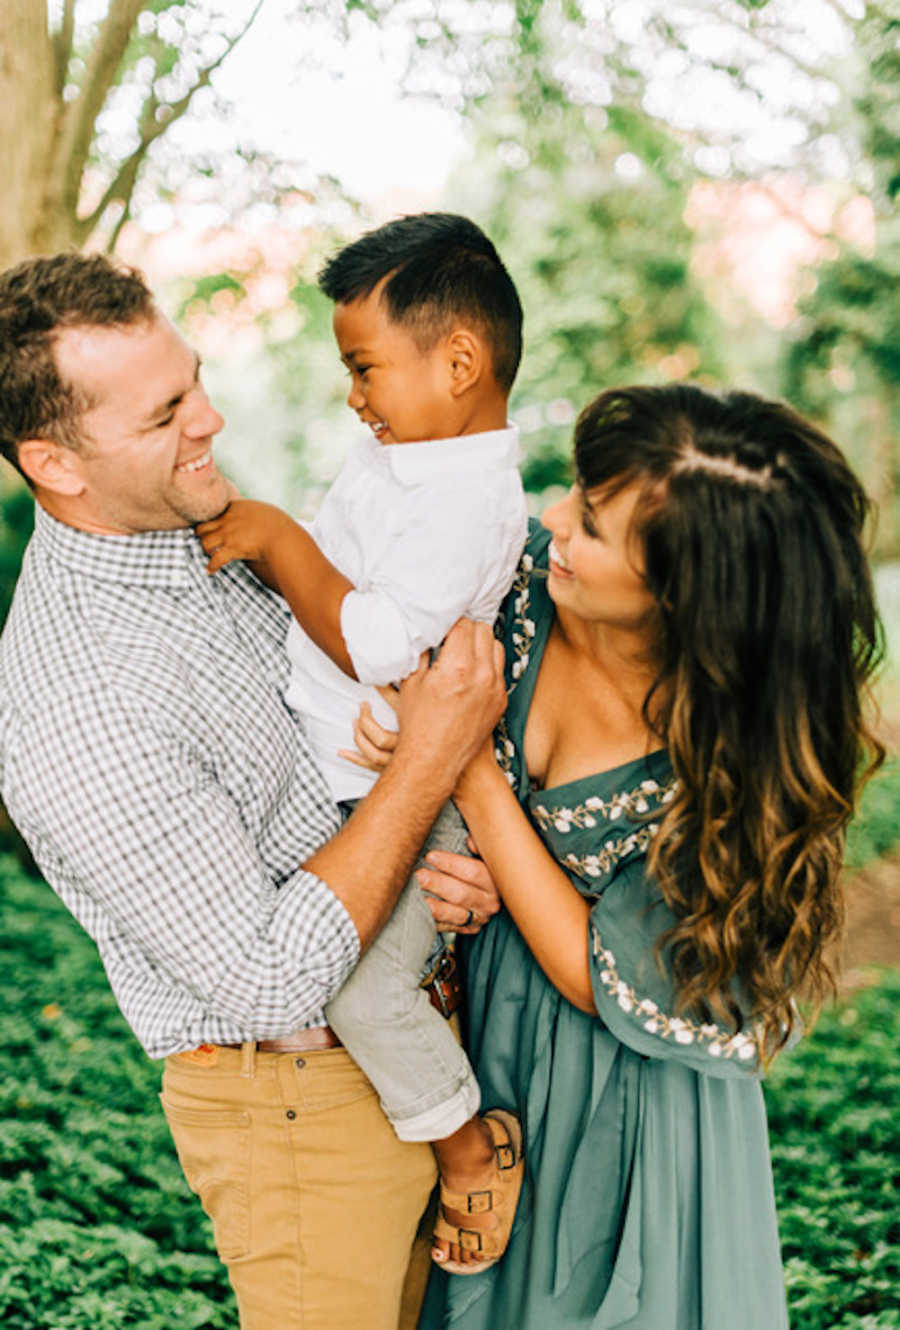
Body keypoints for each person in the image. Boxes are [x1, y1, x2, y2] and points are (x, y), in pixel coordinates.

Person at [0, 249, 508, 1330]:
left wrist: (436, 857)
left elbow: (327, 748)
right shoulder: (78, 699)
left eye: (193, 383)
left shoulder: (194, 531)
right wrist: (426, 766)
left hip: (414, 1038)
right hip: (296, 1114)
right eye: (163, 414)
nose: (211, 422)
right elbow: (269, 976)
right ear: (55, 461)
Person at [359, 384, 882, 1328]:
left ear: (684, 595)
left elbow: (604, 974)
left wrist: (468, 777)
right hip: (480, 1048)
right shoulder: (514, 582)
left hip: (623, 1109)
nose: (553, 516)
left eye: (592, 525)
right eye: (576, 491)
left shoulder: (732, 755)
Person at [194, 213, 529, 1274]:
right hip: (343, 775)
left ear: (461, 361)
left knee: (358, 988)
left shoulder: (470, 500)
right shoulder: (405, 463)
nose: (354, 395)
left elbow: (374, 635)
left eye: (365, 367)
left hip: (401, 794)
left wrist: (279, 537)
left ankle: (470, 1148)